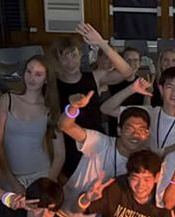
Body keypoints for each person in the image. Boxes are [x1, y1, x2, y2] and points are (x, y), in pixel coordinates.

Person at [55, 93, 150, 217]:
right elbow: (65, 126)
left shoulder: (143, 163)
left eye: (141, 130)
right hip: (63, 214)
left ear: (147, 135)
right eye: (130, 129)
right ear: (119, 130)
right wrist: (73, 108)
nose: (135, 135)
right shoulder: (100, 142)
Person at [51, 23, 135, 176]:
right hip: (68, 145)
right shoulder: (53, 85)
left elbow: (127, 72)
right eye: (64, 58)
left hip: (96, 142)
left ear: (80, 55)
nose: (70, 62)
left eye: (74, 55)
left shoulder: (94, 77)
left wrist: (102, 43)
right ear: (58, 60)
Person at [0, 55, 65, 189]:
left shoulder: (50, 109)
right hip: (10, 176)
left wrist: (47, 184)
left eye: (38, 74)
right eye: (29, 71)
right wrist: (11, 180)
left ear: (46, 79)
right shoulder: (7, 100)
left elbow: (60, 154)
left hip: (40, 174)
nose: (32, 78)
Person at [101, 68, 175, 155]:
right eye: (169, 87)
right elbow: (106, 109)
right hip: (145, 167)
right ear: (161, 89)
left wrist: (164, 151)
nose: (174, 93)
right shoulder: (147, 113)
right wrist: (131, 89)